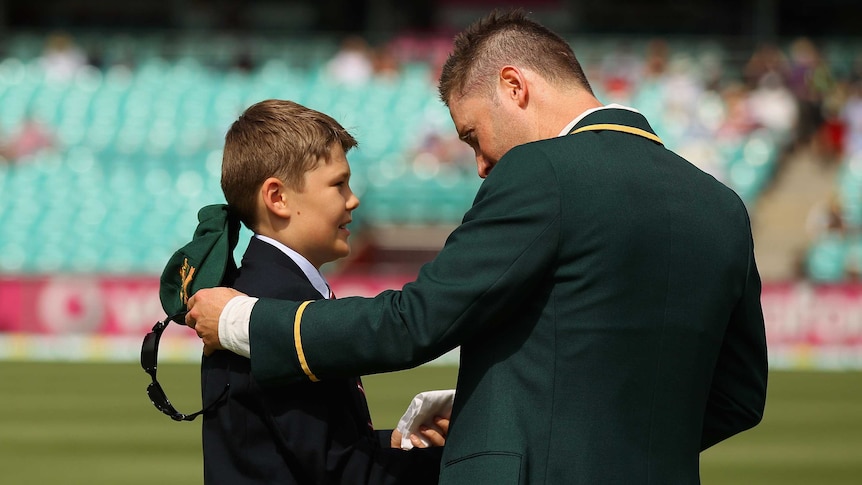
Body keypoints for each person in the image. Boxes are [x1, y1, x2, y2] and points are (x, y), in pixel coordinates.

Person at [185, 10, 768, 484]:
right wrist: (490, 408)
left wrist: (244, 321)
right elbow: (739, 397)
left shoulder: (542, 172)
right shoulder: (722, 207)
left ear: (514, 87)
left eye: (473, 136)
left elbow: (415, 323)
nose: (483, 166)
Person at [163, 99, 446, 484]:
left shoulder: (267, 293)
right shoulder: (276, 303)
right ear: (277, 197)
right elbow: (339, 472)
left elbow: (316, 449)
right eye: (338, 184)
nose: (353, 198)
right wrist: (463, 463)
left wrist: (393, 443)